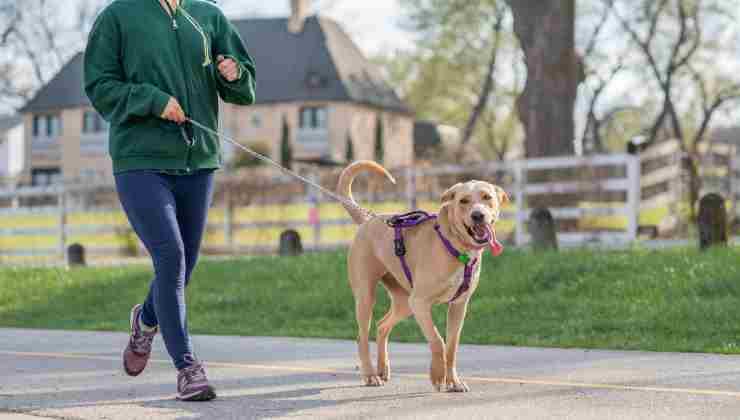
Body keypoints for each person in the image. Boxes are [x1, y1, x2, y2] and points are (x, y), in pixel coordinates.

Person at [84, 0, 255, 401]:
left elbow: (245, 88)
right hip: (140, 160)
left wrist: (233, 73)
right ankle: (187, 368)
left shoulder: (208, 15)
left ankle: (145, 322)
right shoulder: (117, 16)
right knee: (171, 256)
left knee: (183, 265)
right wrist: (152, 100)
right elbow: (99, 86)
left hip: (199, 161)